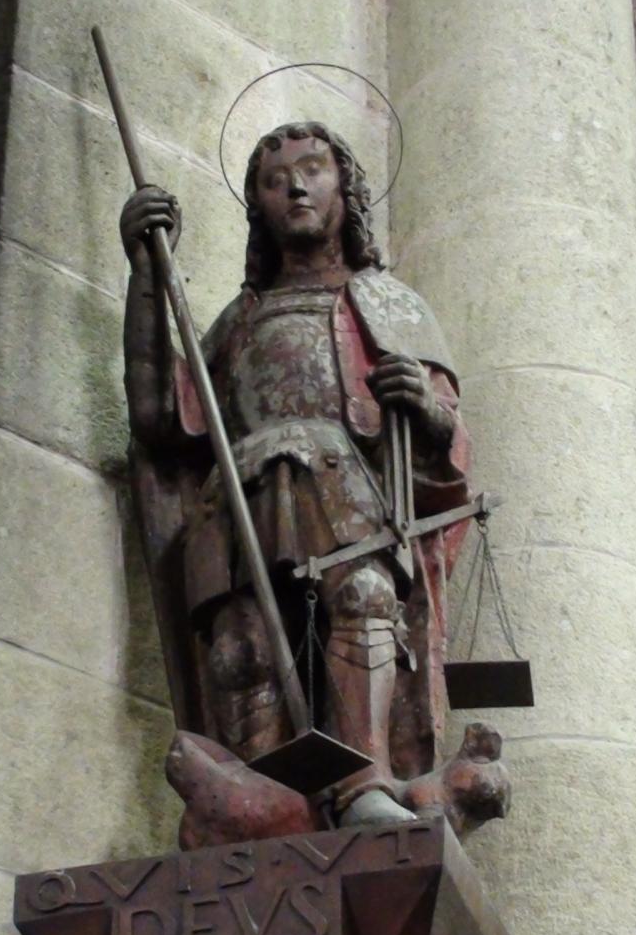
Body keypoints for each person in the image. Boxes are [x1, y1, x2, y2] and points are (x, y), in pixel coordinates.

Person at [120, 122, 470, 826]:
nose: (297, 188)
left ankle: (365, 785)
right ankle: (261, 806)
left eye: (313, 170)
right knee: (239, 651)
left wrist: (425, 408)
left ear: (347, 189)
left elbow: (447, 450)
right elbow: (159, 415)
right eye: (275, 181)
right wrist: (147, 276)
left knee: (365, 597)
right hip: (243, 498)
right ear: (259, 206)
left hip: (346, 488)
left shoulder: (392, 308)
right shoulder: (242, 320)